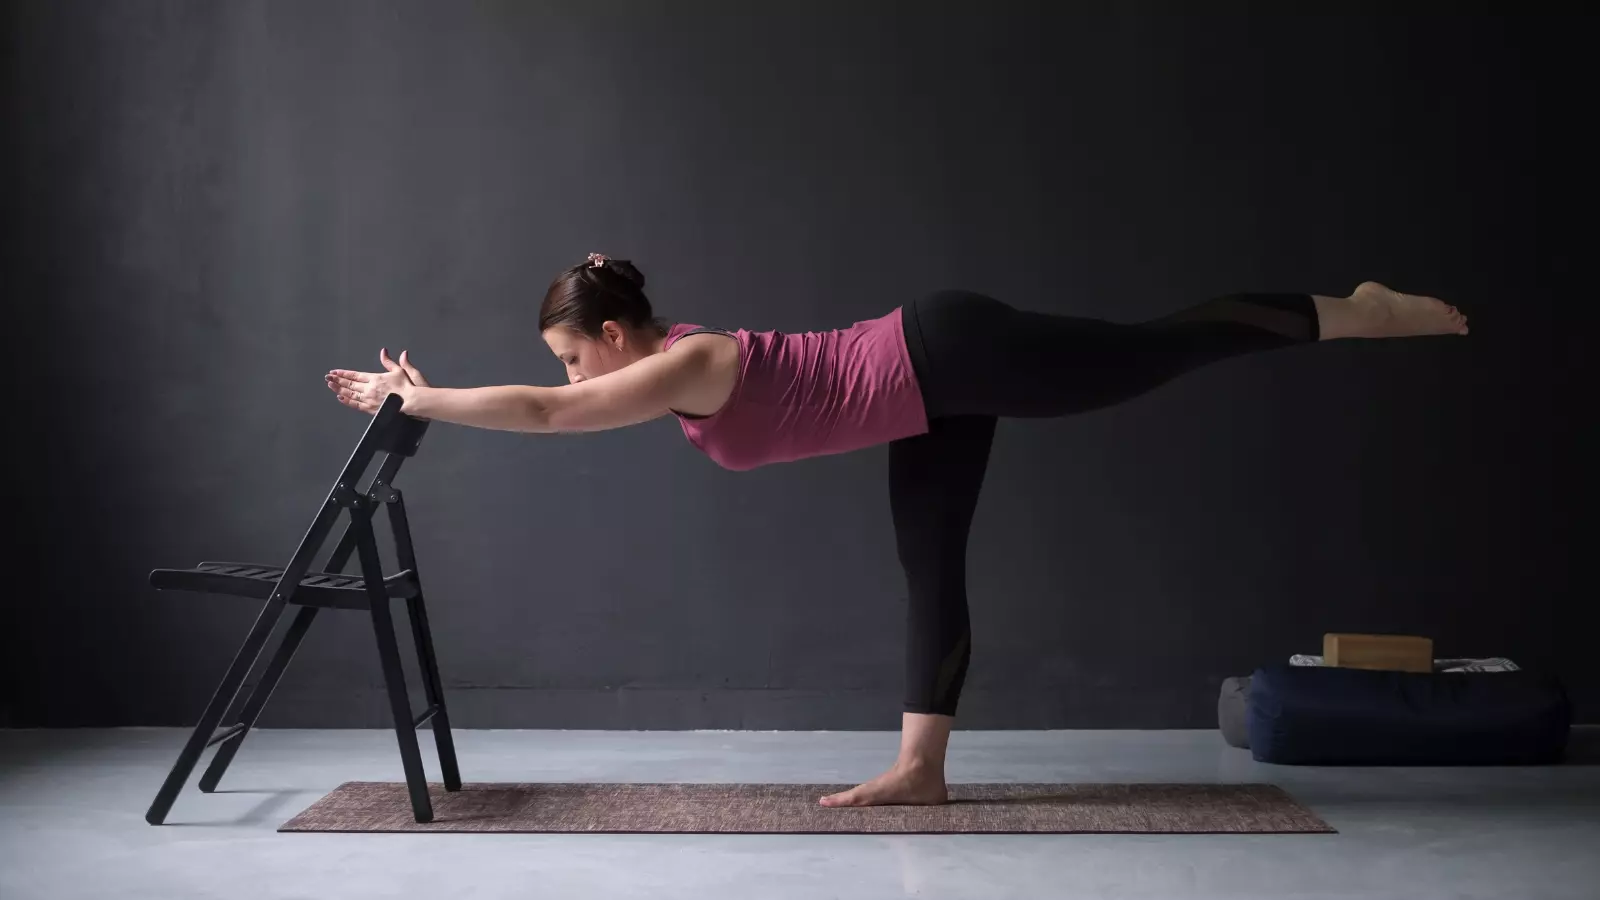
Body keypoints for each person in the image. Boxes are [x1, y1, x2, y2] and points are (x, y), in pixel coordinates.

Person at [326, 251, 1468, 808]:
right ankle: (921, 767)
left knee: (1150, 349)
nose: (575, 373)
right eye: (569, 360)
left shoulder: (687, 363)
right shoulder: (673, 367)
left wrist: (414, 399)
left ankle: (1350, 315)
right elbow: (549, 397)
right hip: (925, 392)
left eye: (578, 351)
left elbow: (546, 412)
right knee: (930, 562)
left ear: (620, 335)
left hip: (945, 354)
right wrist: (423, 393)